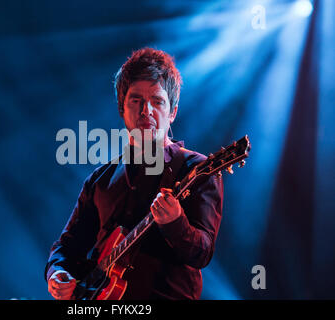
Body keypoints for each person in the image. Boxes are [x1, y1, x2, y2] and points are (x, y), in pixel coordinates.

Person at [45, 48, 224, 300]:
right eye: (136, 100)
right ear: (122, 108)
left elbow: (202, 253)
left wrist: (176, 223)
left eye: (157, 101)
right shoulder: (100, 180)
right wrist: (57, 273)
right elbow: (66, 248)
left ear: (172, 112)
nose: (146, 111)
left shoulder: (197, 169)